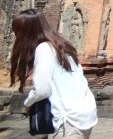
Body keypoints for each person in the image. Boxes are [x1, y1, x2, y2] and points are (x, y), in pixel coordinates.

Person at [10, 9, 97, 138]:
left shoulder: (44, 49)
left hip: (69, 119)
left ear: (26, 32)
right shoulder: (61, 44)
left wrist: (27, 103)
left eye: (17, 31)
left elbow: (42, 90)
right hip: (85, 112)